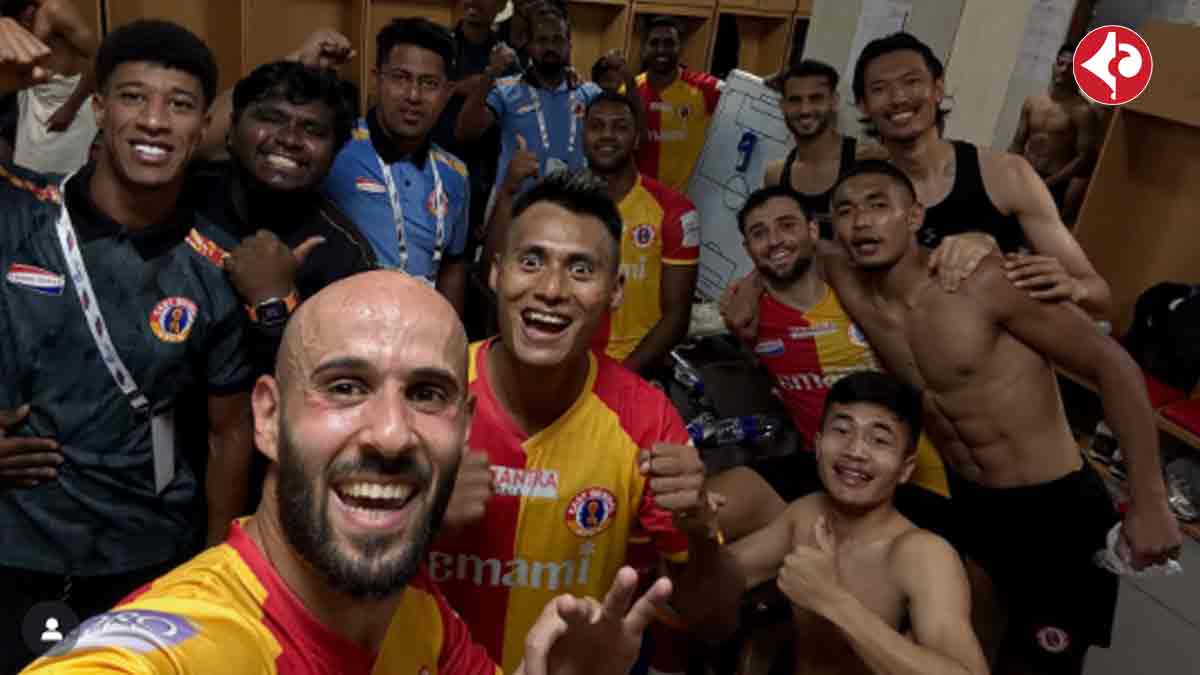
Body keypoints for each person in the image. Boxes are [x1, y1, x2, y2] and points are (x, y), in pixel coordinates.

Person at [22, 271, 674, 675]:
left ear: (466, 423)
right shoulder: (178, 648)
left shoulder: (414, 612)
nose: (390, 433)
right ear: (269, 418)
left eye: (426, 394)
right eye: (344, 386)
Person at [823, 160, 1181, 674]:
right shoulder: (845, 275)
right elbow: (788, 243)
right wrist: (748, 284)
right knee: (971, 656)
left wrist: (1148, 500)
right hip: (971, 504)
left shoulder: (982, 282)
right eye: (845, 210)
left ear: (914, 214)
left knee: (1039, 666)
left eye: (878, 205)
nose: (860, 222)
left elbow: (1114, 365)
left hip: (1054, 511)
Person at [0, 19, 254, 673]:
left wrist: (212, 567)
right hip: (15, 547)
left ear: (202, 128)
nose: (155, 121)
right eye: (135, 97)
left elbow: (230, 434)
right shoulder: (19, 215)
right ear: (98, 109)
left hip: (149, 557)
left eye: (180, 104)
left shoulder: (218, 264)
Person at [429, 170, 729, 674]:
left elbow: (714, 622)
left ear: (615, 291)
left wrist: (698, 530)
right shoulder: (428, 391)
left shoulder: (644, 420)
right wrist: (424, 518)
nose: (551, 289)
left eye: (580, 270)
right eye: (531, 261)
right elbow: (329, 587)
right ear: (497, 273)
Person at [721, 372, 988, 675]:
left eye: (879, 440)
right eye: (842, 430)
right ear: (819, 445)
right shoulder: (807, 515)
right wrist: (697, 534)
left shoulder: (922, 554)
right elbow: (711, 591)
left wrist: (832, 602)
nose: (855, 451)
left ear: (905, 468)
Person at [851, 31, 1109, 316]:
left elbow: (1098, 295)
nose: (898, 97)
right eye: (879, 88)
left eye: (912, 82)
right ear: (863, 105)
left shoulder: (1007, 175)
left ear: (938, 89)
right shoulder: (858, 191)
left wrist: (1069, 286)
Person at [188, 60, 376, 372]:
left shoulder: (345, 255)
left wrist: (275, 303)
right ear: (231, 130)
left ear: (334, 154)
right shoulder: (180, 197)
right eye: (271, 118)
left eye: (313, 129)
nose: (289, 138)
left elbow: (329, 382)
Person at [494, 92, 697, 375]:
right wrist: (509, 190)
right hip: (564, 368)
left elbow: (677, 317)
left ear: (637, 138)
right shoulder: (558, 203)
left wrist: (622, 381)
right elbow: (498, 272)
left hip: (638, 371)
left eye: (620, 127)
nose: (607, 136)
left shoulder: (675, 210)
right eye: (597, 126)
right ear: (583, 136)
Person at [324, 18, 471, 315]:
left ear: (447, 91)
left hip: (416, 334)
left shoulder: (455, 174)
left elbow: (453, 265)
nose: (414, 96)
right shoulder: (334, 146)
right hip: (340, 325)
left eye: (429, 83)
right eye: (400, 78)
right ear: (378, 78)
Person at [456, 4, 602, 202]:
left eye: (557, 39)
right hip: (515, 213)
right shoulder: (506, 90)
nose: (550, 47)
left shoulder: (589, 94)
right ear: (528, 45)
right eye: (542, 40)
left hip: (572, 212)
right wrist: (490, 74)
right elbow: (465, 132)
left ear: (569, 44)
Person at [762, 60, 862, 239]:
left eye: (816, 98)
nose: (805, 110)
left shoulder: (864, 161)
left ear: (834, 101)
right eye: (795, 100)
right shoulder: (775, 175)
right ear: (782, 106)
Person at [1008, 43, 1099, 226]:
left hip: (1054, 183)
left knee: (1035, 242)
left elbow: (1084, 160)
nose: (1064, 71)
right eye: (1060, 63)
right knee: (1007, 231)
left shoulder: (1082, 112)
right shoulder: (1032, 102)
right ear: (1053, 65)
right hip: (1025, 176)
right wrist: (1008, 171)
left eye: (1071, 67)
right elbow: (1018, 142)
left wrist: (1049, 183)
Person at [2, 0, 98, 174]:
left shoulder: (56, 9)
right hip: (34, 105)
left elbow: (99, 59)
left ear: (30, 10)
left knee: (66, 179)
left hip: (65, 105)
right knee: (30, 176)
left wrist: (70, 108)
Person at [634, 16, 721, 193]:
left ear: (680, 47)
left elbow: (745, 93)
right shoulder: (630, 91)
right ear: (644, 48)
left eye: (669, 43)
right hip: (643, 200)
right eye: (654, 42)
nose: (661, 49)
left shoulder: (706, 88)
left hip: (688, 201)